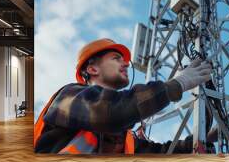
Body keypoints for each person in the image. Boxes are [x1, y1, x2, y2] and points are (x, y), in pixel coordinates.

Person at [34, 38, 213, 154]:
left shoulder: (125, 138)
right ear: (92, 69)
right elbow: (112, 111)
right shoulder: (69, 97)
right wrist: (178, 84)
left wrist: (199, 140)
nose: (126, 64)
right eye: (116, 58)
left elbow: (162, 154)